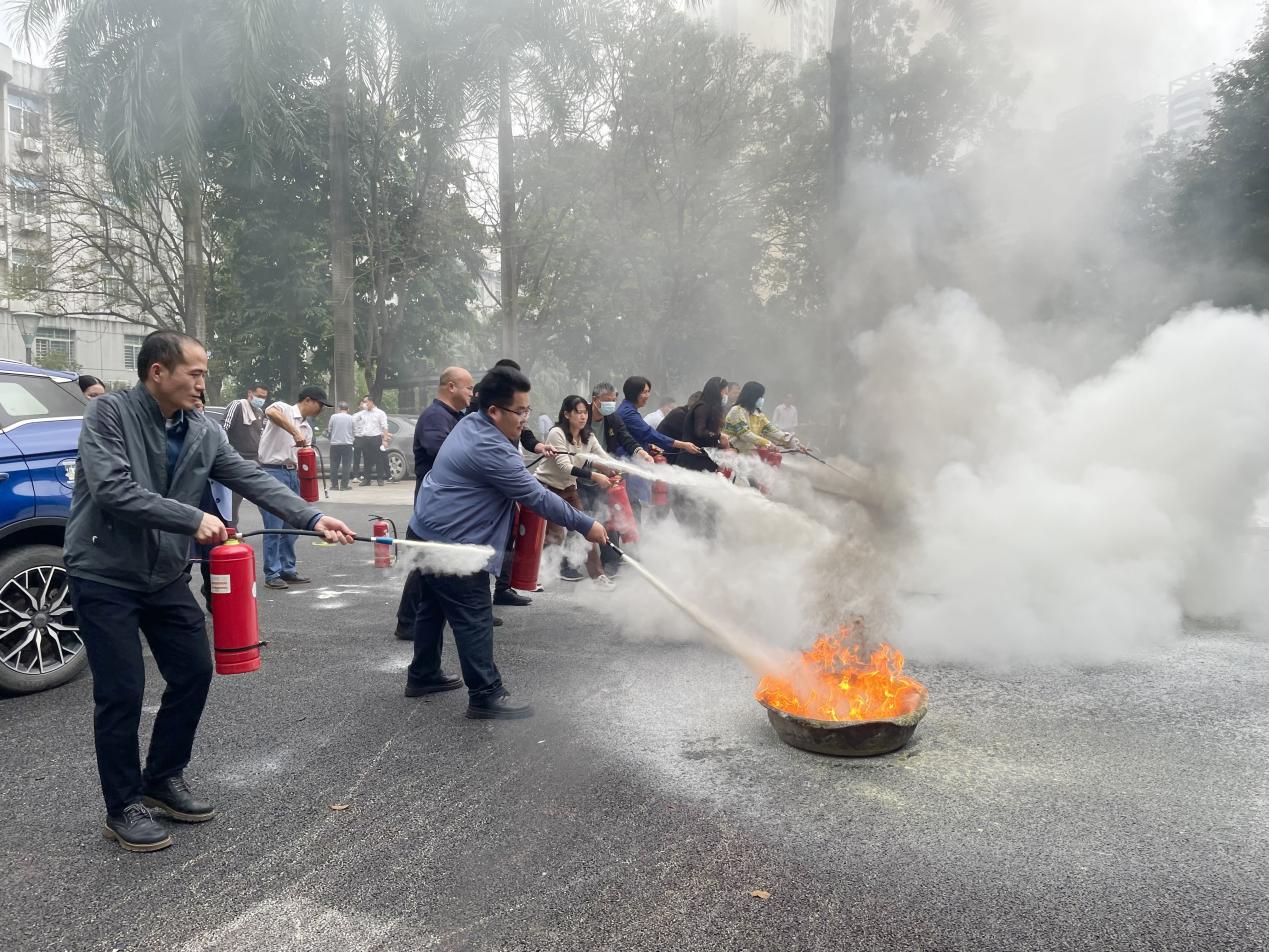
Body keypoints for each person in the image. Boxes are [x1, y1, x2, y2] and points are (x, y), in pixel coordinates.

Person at [65, 330, 354, 853]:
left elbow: (249, 476)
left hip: (164, 572)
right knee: (122, 691)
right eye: (195, 373)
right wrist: (191, 517)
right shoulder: (109, 414)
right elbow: (111, 489)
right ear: (158, 371)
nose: (203, 384)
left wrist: (311, 517)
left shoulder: (201, 428)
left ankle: (162, 779)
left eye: (205, 374)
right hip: (105, 573)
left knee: (194, 670)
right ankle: (122, 806)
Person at [407, 365, 609, 719]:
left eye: (528, 410)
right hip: (453, 544)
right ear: (494, 411)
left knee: (432, 607)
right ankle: (486, 695)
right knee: (474, 614)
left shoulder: (470, 423)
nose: (525, 419)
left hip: (425, 529)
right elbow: (537, 496)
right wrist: (585, 523)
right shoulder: (489, 446)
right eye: (520, 411)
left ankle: (423, 674)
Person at [392, 366, 475, 641]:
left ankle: (429, 617)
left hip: (446, 501)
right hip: (433, 501)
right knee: (425, 560)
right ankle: (407, 622)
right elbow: (440, 452)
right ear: (451, 387)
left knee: (437, 559)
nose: (472, 393)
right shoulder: (435, 417)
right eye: (468, 388)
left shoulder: (453, 416)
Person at [258, 386, 335, 589]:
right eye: (320, 404)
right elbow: (270, 412)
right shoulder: (283, 409)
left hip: (293, 474)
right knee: (274, 525)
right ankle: (272, 573)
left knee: (292, 525)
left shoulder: (307, 428)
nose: (321, 409)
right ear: (308, 400)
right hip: (272, 471)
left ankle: (288, 569)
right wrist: (294, 431)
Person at [539, 395, 619, 586]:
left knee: (588, 529)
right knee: (554, 536)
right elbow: (565, 466)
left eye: (585, 413)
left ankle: (598, 576)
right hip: (547, 488)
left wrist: (613, 467)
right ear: (567, 414)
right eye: (578, 412)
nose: (583, 417)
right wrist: (595, 476)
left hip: (569, 489)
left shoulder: (588, 435)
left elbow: (602, 456)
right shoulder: (556, 433)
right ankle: (535, 574)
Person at [615, 376, 701, 516]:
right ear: (634, 392)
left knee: (634, 505)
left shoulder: (630, 410)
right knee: (631, 507)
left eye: (648, 391)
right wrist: (683, 445)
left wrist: (649, 447)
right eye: (644, 392)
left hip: (633, 462)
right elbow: (649, 434)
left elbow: (637, 436)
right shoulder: (628, 413)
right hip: (627, 463)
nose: (648, 395)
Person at [222, 383, 269, 524]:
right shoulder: (237, 405)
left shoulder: (259, 412)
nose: (261, 399)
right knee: (233, 501)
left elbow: (262, 436)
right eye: (259, 396)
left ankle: (273, 529)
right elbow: (223, 429)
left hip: (255, 460)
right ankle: (230, 530)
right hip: (237, 459)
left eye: (264, 397)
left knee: (264, 498)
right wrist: (228, 454)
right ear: (250, 393)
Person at [723, 381, 801, 455]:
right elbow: (745, 434)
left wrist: (795, 443)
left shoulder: (757, 414)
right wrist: (768, 443)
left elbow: (772, 430)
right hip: (731, 454)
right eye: (760, 396)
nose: (761, 399)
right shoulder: (736, 411)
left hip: (747, 454)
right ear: (752, 396)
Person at [677, 377, 730, 472]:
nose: (726, 396)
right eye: (724, 392)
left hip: (705, 458)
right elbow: (700, 432)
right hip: (693, 459)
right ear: (716, 392)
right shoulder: (702, 407)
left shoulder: (713, 409)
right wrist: (719, 436)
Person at [352, 395, 390, 485]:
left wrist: (385, 440)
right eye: (363, 402)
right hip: (365, 438)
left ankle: (380, 479)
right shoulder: (363, 413)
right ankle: (367, 479)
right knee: (366, 459)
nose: (364, 404)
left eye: (365, 402)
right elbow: (352, 419)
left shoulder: (380, 413)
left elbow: (385, 427)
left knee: (378, 459)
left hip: (376, 438)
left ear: (371, 402)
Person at [326, 401, 355, 491]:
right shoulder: (351, 418)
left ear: (339, 408)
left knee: (334, 465)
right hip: (347, 444)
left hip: (335, 444)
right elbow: (354, 431)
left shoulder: (333, 417)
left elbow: (329, 429)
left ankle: (334, 485)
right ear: (348, 409)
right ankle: (344, 485)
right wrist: (351, 439)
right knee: (346, 465)